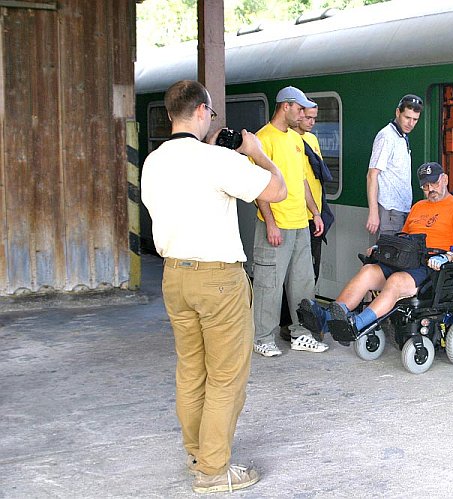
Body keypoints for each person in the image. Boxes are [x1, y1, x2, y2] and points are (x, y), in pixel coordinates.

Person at [141, 80, 286, 493]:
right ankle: (213, 471)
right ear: (203, 112)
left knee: (191, 371)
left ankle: (198, 456)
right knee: (225, 378)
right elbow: (277, 190)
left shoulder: (153, 162)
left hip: (176, 275)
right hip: (218, 278)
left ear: (171, 115)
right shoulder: (215, 161)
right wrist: (255, 152)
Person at [302, 162, 453, 337]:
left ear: (445, 179)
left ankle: (358, 324)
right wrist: (382, 248)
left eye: (434, 183)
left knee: (395, 281)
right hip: (406, 259)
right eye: (425, 186)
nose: (430, 189)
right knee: (368, 271)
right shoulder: (418, 207)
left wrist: (449, 257)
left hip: (430, 267)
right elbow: (403, 238)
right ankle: (327, 320)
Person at [253, 86, 328, 356]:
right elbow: (259, 186)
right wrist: (270, 223)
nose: (302, 114)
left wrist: (315, 213)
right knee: (269, 284)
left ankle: (301, 333)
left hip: (300, 223)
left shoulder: (296, 140)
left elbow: (302, 181)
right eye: (299, 109)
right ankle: (262, 337)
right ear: (286, 106)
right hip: (277, 224)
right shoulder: (263, 139)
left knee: (303, 283)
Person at [366, 94, 423, 237]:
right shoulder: (386, 136)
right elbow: (372, 174)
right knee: (388, 255)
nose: (411, 123)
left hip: (401, 209)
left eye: (415, 119)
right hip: (389, 210)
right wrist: (373, 212)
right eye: (407, 118)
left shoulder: (402, 136)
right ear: (398, 112)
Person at [291, 103, 333, 283]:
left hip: (315, 213)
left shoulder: (312, 139)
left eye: (315, 118)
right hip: (300, 214)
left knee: (313, 267)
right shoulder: (291, 140)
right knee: (298, 271)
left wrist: (318, 212)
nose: (312, 122)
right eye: (308, 117)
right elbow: (300, 179)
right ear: (299, 115)